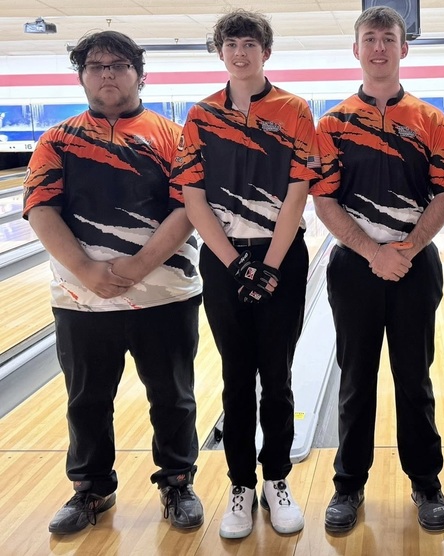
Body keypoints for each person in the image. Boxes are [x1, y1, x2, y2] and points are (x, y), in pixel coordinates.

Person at [23, 30, 204, 534]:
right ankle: (91, 490)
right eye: (96, 65)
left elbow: (187, 208)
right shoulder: (56, 139)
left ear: (139, 74)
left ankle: (177, 481)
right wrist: (88, 272)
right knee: (87, 400)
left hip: (166, 293)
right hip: (80, 300)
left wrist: (137, 266)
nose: (108, 73)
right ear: (81, 75)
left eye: (119, 65)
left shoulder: (172, 136)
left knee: (173, 396)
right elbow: (40, 209)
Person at [170, 10, 317, 539]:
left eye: (249, 43)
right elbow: (192, 195)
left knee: (276, 376)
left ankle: (277, 479)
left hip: (281, 256)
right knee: (236, 378)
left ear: (265, 52)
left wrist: (270, 266)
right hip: (223, 257)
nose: (240, 52)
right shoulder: (200, 115)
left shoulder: (295, 110)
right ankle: (239, 484)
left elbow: (299, 190)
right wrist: (235, 263)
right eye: (230, 44)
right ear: (220, 53)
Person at [312, 6, 444, 534]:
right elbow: (324, 200)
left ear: (403, 48)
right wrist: (373, 252)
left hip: (416, 265)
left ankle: (427, 482)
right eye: (369, 38)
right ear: (356, 50)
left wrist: (409, 247)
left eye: (388, 38)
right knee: (356, 380)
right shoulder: (331, 123)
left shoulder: (431, 119)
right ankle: (348, 485)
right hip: (354, 266)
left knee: (414, 379)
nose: (379, 47)